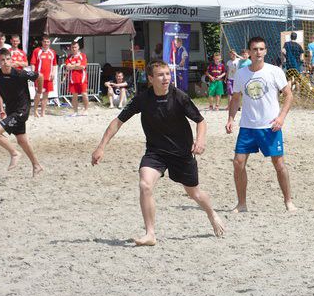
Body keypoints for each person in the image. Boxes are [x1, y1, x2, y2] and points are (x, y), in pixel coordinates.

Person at [91, 60, 225, 246]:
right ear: (151, 78)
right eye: (161, 75)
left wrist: (200, 140)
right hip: (155, 153)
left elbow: (200, 121)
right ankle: (150, 234)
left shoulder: (179, 97)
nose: (165, 78)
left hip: (181, 153)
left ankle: (211, 214)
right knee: (145, 185)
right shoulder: (142, 99)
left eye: (167, 74)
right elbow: (118, 121)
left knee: (194, 193)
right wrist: (101, 146)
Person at [226, 36, 296, 213]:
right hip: (247, 127)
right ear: (248, 52)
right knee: (238, 163)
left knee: (279, 164)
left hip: (270, 127)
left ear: (265, 51)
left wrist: (281, 118)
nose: (258, 52)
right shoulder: (241, 73)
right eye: (255, 49)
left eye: (261, 49)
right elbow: (236, 98)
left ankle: (288, 201)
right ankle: (242, 204)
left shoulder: (275, 71)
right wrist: (231, 119)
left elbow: (289, 95)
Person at [30, 35, 57, 117]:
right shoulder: (37, 51)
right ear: (42, 42)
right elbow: (33, 63)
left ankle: (43, 112)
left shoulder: (52, 52)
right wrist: (33, 74)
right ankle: (35, 111)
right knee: (38, 94)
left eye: (47, 42)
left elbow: (54, 64)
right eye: (44, 41)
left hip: (48, 77)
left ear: (50, 42)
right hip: (39, 77)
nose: (46, 43)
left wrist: (53, 73)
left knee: (46, 95)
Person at [65, 40, 89, 115]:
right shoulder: (69, 57)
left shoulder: (83, 55)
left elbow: (82, 67)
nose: (74, 49)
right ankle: (75, 111)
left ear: (78, 47)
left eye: (75, 47)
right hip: (72, 79)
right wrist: (76, 65)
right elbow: (67, 67)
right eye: (72, 47)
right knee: (74, 96)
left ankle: (86, 110)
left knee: (84, 94)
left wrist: (72, 66)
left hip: (82, 79)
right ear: (71, 48)